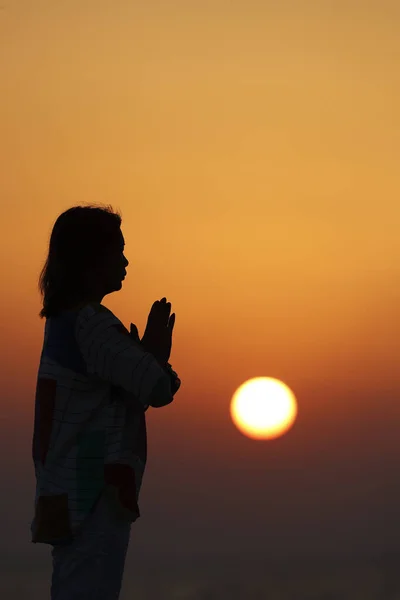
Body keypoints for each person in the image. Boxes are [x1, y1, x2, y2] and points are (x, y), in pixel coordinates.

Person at [31, 204, 181, 600]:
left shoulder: (65, 322)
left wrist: (146, 359)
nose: (126, 260)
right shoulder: (90, 323)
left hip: (70, 491)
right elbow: (158, 387)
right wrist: (153, 355)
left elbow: (126, 388)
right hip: (91, 494)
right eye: (118, 250)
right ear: (91, 259)